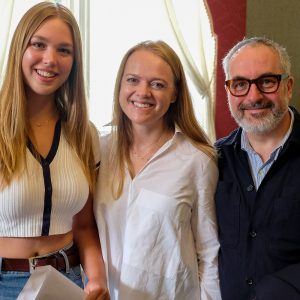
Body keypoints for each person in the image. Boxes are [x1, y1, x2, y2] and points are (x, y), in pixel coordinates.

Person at [94, 40, 221, 300]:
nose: (143, 92)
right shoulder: (98, 149)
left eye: (157, 84)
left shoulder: (197, 160)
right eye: (133, 80)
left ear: (174, 94)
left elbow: (209, 254)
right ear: (120, 85)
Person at [0, 2, 109, 299]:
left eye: (64, 50)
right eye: (39, 44)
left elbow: (84, 226)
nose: (50, 59)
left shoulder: (83, 133)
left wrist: (97, 279)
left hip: (67, 281)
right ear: (20, 49)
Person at [215, 36, 300, 300]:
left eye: (266, 81)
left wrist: (279, 288)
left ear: (288, 86)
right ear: (228, 91)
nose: (253, 96)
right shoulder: (213, 159)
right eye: (240, 84)